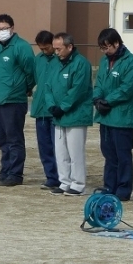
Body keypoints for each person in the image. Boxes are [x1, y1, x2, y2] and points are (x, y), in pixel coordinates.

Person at [93, 28, 133, 202]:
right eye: (102, 48)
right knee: (108, 154)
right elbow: (99, 82)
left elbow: (128, 88)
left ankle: (123, 188)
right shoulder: (104, 62)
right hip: (105, 117)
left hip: (122, 118)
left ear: (117, 43)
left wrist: (108, 101)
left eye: (107, 47)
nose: (105, 51)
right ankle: (109, 185)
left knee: (123, 155)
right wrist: (97, 98)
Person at [0, 14, 35, 187]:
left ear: (12, 28)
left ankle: (15, 174)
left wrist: (23, 88)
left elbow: (31, 71)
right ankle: (5, 171)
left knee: (14, 138)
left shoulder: (21, 47)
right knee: (3, 139)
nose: (1, 32)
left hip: (13, 100)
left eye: (4, 28)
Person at [45, 32, 93, 196]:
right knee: (61, 152)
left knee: (75, 152)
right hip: (58, 116)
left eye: (59, 49)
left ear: (70, 47)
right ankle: (64, 181)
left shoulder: (81, 64)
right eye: (55, 48)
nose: (56, 52)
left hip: (76, 115)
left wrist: (63, 107)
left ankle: (78, 183)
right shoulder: (54, 64)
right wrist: (51, 105)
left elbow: (77, 90)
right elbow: (47, 86)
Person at [31, 30, 61, 190]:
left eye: (47, 48)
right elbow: (35, 79)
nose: (44, 51)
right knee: (44, 146)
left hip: (55, 111)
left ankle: (62, 177)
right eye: (41, 49)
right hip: (40, 110)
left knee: (59, 147)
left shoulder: (60, 59)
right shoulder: (38, 60)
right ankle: (51, 177)